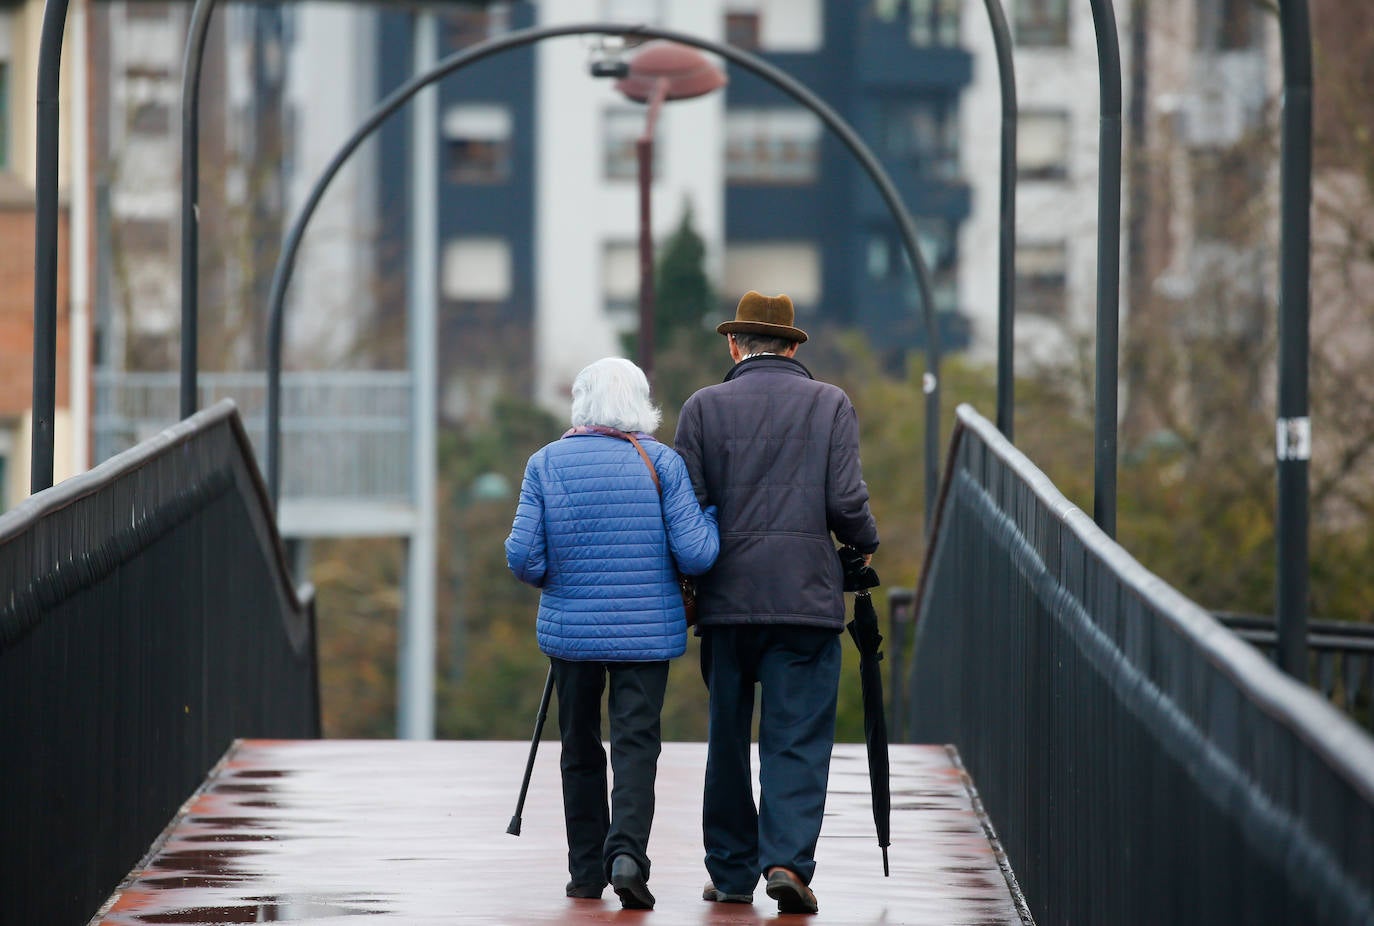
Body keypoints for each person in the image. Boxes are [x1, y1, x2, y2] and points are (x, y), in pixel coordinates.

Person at [674, 291, 879, 916]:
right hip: (806, 598)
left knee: (728, 736)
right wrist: (864, 543)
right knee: (798, 735)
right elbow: (846, 503)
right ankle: (787, 861)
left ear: (735, 345)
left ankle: (731, 872)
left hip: (727, 599)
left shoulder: (702, 408)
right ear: (792, 347)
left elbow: (684, 511)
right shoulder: (830, 404)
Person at [505, 356, 720, 910]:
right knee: (635, 745)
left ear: (580, 402)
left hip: (571, 634)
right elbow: (697, 553)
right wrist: (713, 517)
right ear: (640, 403)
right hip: (646, 635)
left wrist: (568, 575)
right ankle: (626, 855)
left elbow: (523, 559)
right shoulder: (663, 464)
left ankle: (583, 872)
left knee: (579, 748)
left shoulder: (545, 464)